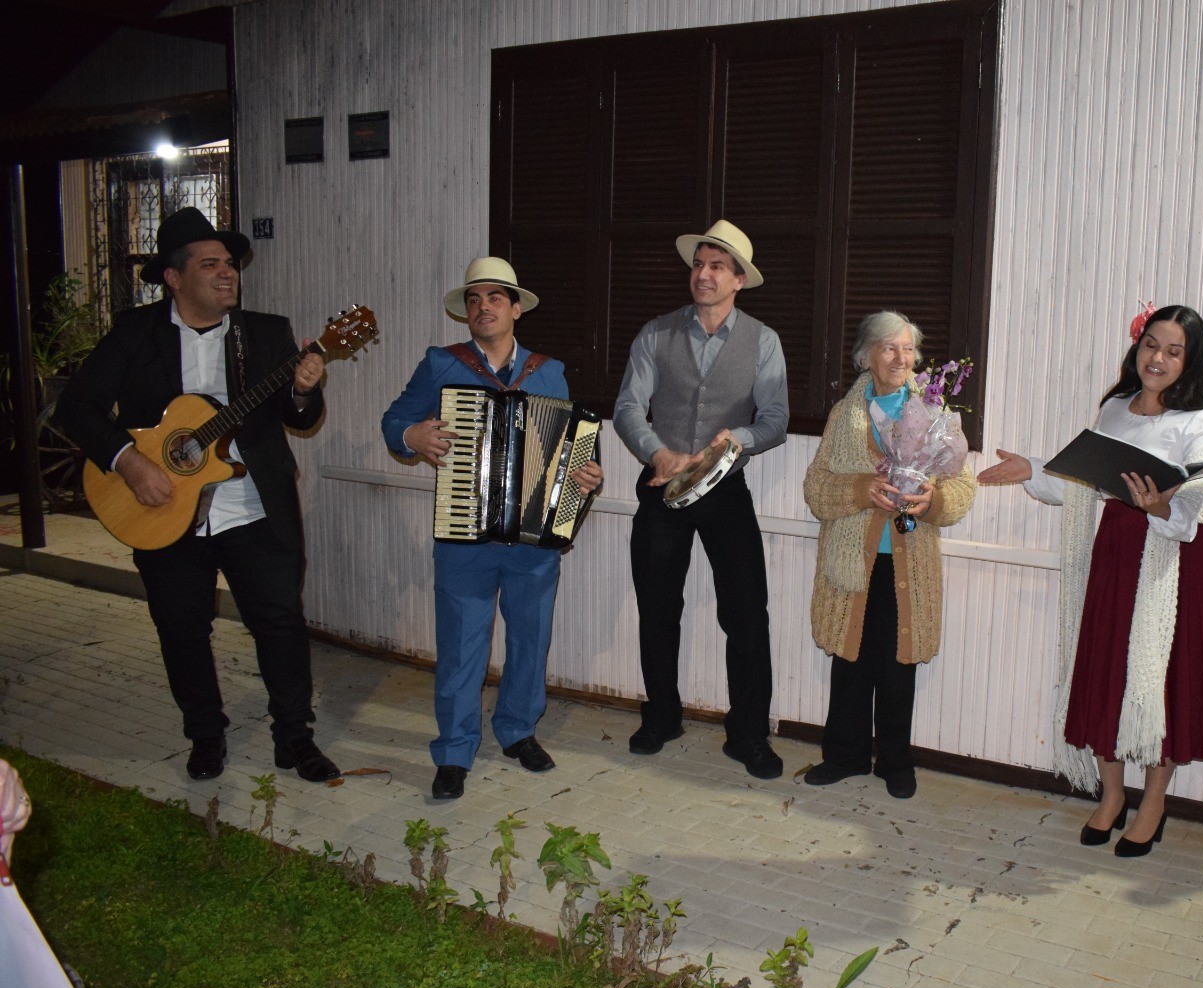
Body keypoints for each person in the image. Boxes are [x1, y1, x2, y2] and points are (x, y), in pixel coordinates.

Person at [55, 207, 339, 783]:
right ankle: (205, 735)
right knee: (182, 629)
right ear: (174, 277)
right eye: (210, 264)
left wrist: (305, 390)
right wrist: (129, 462)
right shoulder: (136, 333)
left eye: (231, 264)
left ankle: (294, 738)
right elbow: (75, 409)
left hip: (251, 506)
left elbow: (297, 417)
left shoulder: (265, 333)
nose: (227, 272)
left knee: (280, 623)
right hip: (160, 507)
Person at [977, 304, 1203, 856]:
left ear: (1190, 360)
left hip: (1176, 562)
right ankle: (1111, 797)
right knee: (1105, 668)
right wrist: (1033, 469)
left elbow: (1197, 501)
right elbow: (1089, 482)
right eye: (1151, 344)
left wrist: (1161, 506)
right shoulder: (1113, 407)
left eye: (1173, 350)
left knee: (1165, 681)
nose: (1157, 358)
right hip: (1116, 551)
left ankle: (1153, 803)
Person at [382, 257, 603, 800]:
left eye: (495, 298)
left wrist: (587, 474)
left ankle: (517, 731)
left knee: (531, 640)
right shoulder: (442, 364)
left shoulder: (548, 371)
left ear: (516, 308)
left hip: (531, 540)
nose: (484, 307)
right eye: (475, 299)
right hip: (465, 533)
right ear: (467, 312)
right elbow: (394, 421)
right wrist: (413, 436)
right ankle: (455, 751)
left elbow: (570, 446)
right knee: (461, 645)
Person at [613, 220, 789, 779]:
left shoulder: (763, 341)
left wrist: (742, 440)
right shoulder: (655, 333)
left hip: (724, 491)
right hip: (661, 488)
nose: (704, 274)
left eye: (717, 266)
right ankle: (662, 716)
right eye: (699, 264)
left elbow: (776, 420)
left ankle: (748, 734)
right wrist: (657, 455)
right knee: (658, 609)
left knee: (746, 614)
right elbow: (626, 409)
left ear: (739, 280)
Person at [802, 312, 975, 799]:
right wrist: (860, 489)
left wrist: (933, 501)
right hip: (853, 562)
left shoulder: (936, 413)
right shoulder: (844, 417)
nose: (900, 358)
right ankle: (844, 756)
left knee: (899, 664)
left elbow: (962, 486)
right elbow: (816, 488)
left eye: (907, 349)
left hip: (908, 563)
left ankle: (895, 762)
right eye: (888, 348)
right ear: (866, 357)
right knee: (850, 660)